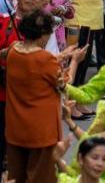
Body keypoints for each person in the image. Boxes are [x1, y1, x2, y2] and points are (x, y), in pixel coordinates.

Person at [3, 11, 69, 182]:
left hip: (15, 127)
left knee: (16, 175)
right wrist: (74, 61)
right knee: (41, 176)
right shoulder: (45, 59)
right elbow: (64, 84)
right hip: (41, 131)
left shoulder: (13, 50)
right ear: (44, 34)